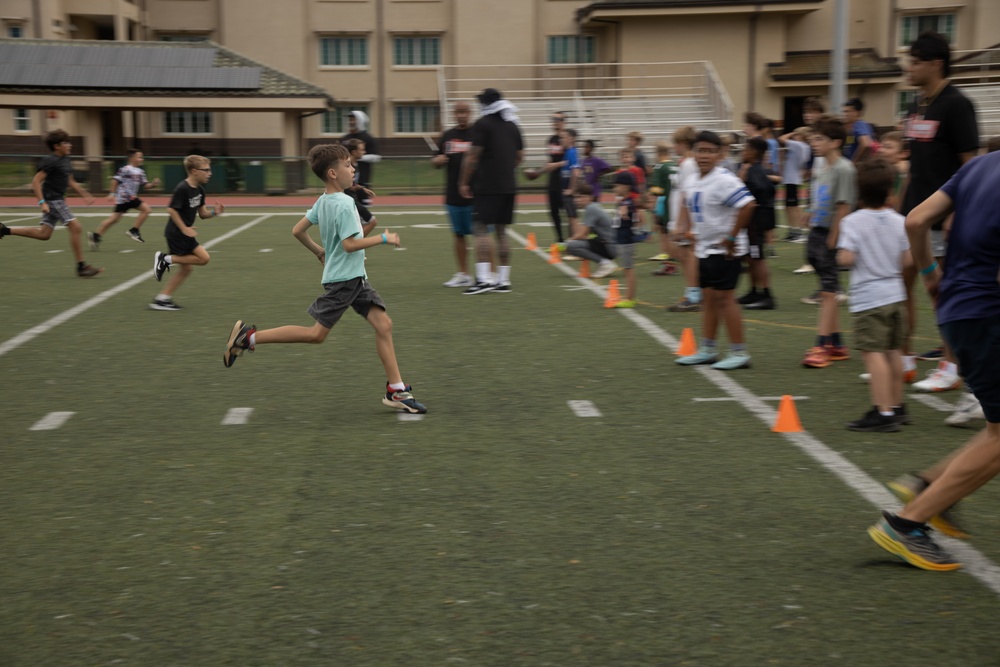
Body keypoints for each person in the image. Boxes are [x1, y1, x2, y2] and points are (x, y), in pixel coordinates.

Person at [867, 149, 1000, 571]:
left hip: (958, 307)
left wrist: (929, 275)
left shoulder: (982, 164)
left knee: (996, 428)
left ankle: (927, 486)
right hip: (988, 313)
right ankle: (906, 525)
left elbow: (915, 220)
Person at [222, 143, 427, 415]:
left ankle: (396, 390)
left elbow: (297, 230)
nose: (353, 168)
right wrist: (384, 238)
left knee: (383, 325)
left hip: (353, 278)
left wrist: (319, 251)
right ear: (333, 173)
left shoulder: (324, 200)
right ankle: (248, 338)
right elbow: (350, 245)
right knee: (316, 335)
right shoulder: (344, 204)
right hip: (345, 280)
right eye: (348, 165)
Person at [900, 31, 979, 400]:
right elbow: (915, 165)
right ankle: (903, 359)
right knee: (900, 282)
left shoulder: (957, 104)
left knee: (943, 293)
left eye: (915, 61)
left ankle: (951, 367)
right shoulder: (918, 105)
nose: (909, 68)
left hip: (942, 217)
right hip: (913, 216)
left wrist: (957, 215)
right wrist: (898, 204)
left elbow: (971, 167)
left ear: (935, 64)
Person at [836, 159, 912, 432]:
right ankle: (897, 405)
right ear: (889, 190)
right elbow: (907, 260)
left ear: (860, 192)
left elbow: (847, 257)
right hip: (895, 294)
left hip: (869, 297)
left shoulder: (853, 222)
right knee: (893, 351)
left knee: (873, 354)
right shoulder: (900, 221)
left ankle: (884, 412)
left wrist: (840, 255)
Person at [674, 130, 756, 370]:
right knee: (709, 299)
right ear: (693, 152)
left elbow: (748, 205)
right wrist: (686, 230)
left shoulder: (725, 179)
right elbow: (689, 205)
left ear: (720, 154)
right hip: (704, 249)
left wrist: (731, 238)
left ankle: (739, 352)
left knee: (725, 299)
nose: (704, 155)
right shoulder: (692, 179)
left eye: (710, 151)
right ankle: (708, 349)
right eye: (700, 150)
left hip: (724, 250)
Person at [0, 129, 102, 278]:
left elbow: (70, 181)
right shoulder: (51, 161)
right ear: (56, 146)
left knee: (44, 234)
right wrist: (42, 202)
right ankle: (81, 267)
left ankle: (4, 230)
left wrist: (85, 194)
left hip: (57, 199)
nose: (70, 145)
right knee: (76, 227)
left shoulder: (66, 159)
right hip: (53, 200)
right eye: (66, 142)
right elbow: (35, 181)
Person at [801, 115, 857, 369]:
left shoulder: (844, 168)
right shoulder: (821, 166)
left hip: (830, 234)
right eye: (812, 138)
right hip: (817, 230)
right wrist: (810, 212)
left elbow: (843, 205)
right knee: (827, 288)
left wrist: (835, 237)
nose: (814, 143)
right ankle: (837, 344)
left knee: (829, 291)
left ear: (835, 142)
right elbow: (820, 197)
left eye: (819, 138)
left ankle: (821, 345)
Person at [458, 88, 524, 295]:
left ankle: (484, 279)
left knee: (480, 229)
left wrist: (464, 182)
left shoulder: (482, 124)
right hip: (509, 185)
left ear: (485, 104)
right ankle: (503, 280)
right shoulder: (513, 125)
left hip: (488, 186)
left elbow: (472, 157)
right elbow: (519, 156)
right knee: (502, 232)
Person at [150, 155, 225, 310]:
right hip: (177, 233)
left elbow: (202, 214)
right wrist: (184, 228)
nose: (210, 173)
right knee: (204, 259)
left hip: (185, 233)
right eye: (206, 170)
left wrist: (214, 212)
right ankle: (165, 260)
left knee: (187, 268)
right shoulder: (182, 188)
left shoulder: (200, 190)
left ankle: (162, 298)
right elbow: (170, 209)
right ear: (194, 171)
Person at [432, 101, 475, 288]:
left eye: (465, 112)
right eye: (458, 112)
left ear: (470, 113)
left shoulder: (478, 134)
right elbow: (435, 160)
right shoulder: (448, 136)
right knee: (458, 235)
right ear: (454, 114)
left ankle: (487, 274)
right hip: (453, 193)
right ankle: (463, 273)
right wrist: (438, 160)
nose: (461, 115)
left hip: (476, 193)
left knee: (482, 234)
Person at [88, 148, 160, 249]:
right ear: (132, 158)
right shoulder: (125, 169)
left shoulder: (140, 171)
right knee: (147, 210)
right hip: (125, 197)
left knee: (114, 219)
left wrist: (153, 184)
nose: (142, 159)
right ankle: (134, 230)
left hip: (128, 198)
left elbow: (145, 185)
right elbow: (115, 180)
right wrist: (112, 193)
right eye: (139, 157)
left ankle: (95, 236)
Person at [737, 137, 777, 310]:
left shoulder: (754, 172)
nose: (742, 152)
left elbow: (757, 191)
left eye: (745, 148)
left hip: (757, 219)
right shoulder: (757, 169)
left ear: (753, 152)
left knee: (757, 258)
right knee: (751, 257)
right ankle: (754, 291)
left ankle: (767, 296)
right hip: (759, 218)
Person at [667, 125, 702, 312]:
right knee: (684, 255)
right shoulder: (686, 163)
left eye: (676, 144)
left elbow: (687, 193)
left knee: (688, 255)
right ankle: (692, 292)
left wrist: (681, 224)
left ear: (682, 143)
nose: (674, 147)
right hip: (681, 218)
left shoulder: (688, 164)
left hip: (684, 219)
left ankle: (694, 295)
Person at [563, 183, 618, 279]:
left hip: (610, 247)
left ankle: (605, 263)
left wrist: (565, 244)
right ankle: (605, 262)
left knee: (571, 246)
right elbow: (584, 234)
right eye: (575, 197)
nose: (576, 200)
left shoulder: (591, 209)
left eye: (580, 197)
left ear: (590, 197)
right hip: (610, 244)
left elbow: (582, 234)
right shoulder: (593, 207)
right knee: (575, 244)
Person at [610, 171, 641, 308]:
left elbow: (631, 212)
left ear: (626, 187)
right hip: (622, 239)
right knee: (627, 269)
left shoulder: (627, 202)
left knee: (629, 269)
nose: (614, 188)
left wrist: (625, 211)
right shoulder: (625, 201)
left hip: (626, 239)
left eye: (617, 186)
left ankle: (630, 298)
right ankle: (629, 296)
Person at [777, 126, 811, 242]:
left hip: (792, 179)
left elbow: (781, 138)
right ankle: (793, 230)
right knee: (789, 206)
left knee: (793, 207)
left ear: (801, 136)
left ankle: (797, 231)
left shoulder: (798, 145)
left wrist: (792, 132)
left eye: (797, 134)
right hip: (791, 179)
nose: (794, 136)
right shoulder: (803, 146)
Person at [341, 110, 380, 204]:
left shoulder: (367, 138)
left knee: (364, 209)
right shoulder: (345, 138)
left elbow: (376, 157)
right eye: (350, 120)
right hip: (347, 182)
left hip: (363, 179)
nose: (351, 122)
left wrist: (358, 156)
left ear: (360, 120)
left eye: (353, 119)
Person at [648, 141, 676, 272]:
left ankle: (668, 265)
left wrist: (655, 212)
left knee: (664, 236)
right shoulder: (675, 166)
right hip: (677, 206)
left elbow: (657, 192)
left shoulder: (659, 167)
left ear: (658, 153)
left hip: (666, 207)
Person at [543, 111, 567, 242]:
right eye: (553, 119)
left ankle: (573, 240)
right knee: (553, 211)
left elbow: (571, 160)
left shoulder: (567, 138)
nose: (555, 121)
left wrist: (555, 165)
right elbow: (550, 158)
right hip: (553, 179)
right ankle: (560, 240)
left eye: (558, 119)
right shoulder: (551, 140)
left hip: (564, 179)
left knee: (568, 212)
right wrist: (543, 168)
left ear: (564, 121)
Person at [841, 98, 874, 163]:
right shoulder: (853, 127)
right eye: (844, 112)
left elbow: (865, 144)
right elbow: (850, 144)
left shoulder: (859, 125)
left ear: (857, 113)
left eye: (847, 111)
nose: (845, 114)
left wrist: (855, 161)